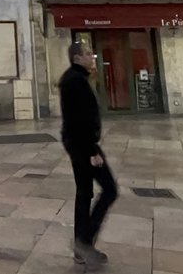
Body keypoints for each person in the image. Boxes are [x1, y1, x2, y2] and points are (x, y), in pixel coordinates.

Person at [59, 42, 116, 268]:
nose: (92, 56)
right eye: (87, 54)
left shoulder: (75, 78)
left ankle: (81, 247)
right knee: (109, 189)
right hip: (83, 145)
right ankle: (84, 240)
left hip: (78, 143)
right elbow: (79, 118)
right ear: (76, 58)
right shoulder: (75, 81)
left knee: (84, 192)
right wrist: (92, 150)